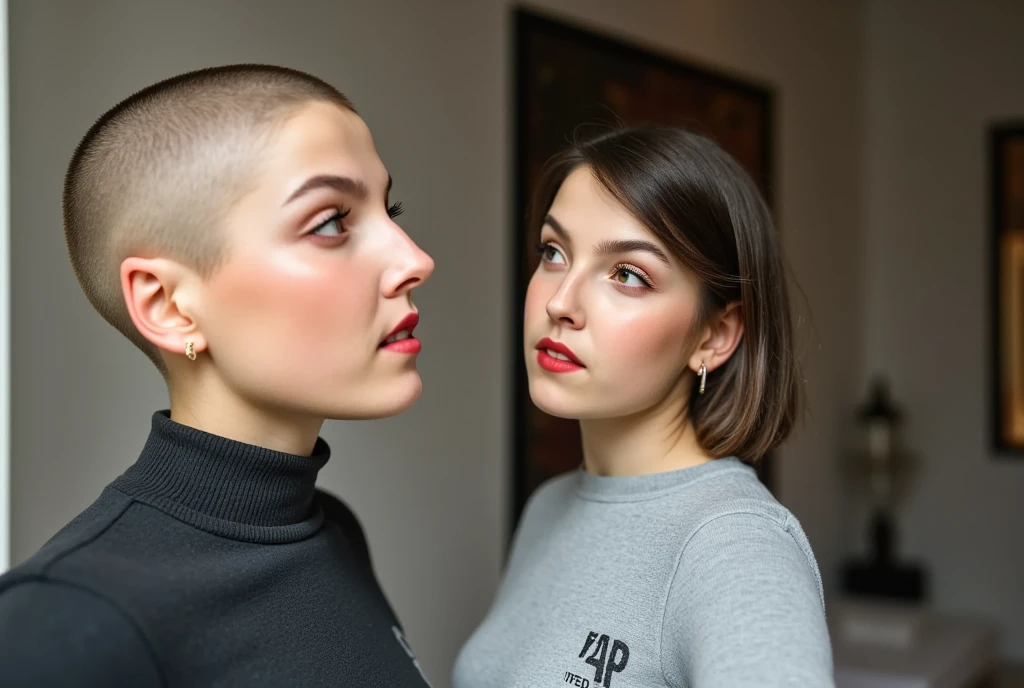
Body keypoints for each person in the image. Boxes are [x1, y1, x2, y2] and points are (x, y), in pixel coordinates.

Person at [0, 64, 436, 687]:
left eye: (389, 208)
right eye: (332, 222)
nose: (414, 259)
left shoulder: (330, 531)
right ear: (168, 306)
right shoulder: (66, 620)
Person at [453, 126, 834, 687]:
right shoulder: (548, 509)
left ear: (715, 334)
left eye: (628, 275)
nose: (560, 302)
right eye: (554, 253)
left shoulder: (736, 546)